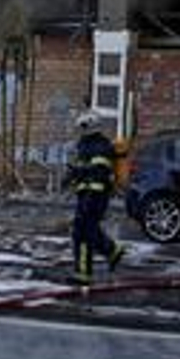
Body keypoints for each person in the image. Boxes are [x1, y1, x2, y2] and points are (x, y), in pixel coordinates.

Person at [66, 109, 123, 284]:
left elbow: (101, 170)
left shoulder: (101, 145)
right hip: (85, 193)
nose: (80, 130)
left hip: (96, 194)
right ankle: (112, 250)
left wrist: (80, 172)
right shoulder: (84, 144)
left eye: (82, 126)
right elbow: (80, 167)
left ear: (90, 125)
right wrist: (70, 176)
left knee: (82, 232)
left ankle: (83, 274)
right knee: (87, 229)